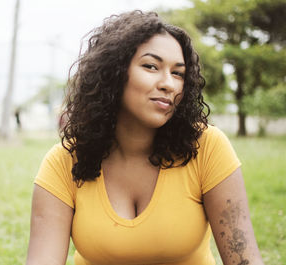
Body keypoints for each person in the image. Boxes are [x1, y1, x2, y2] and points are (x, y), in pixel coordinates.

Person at [26, 10, 264, 265]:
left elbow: (244, 260)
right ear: (113, 73)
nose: (168, 84)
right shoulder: (64, 162)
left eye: (178, 73)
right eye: (151, 66)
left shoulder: (207, 147)